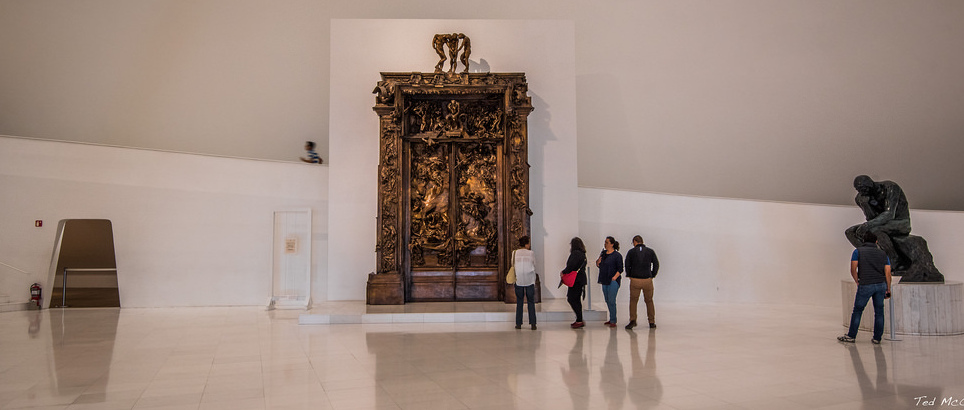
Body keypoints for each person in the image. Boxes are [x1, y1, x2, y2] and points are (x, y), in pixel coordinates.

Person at [845, 175, 909, 271]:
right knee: (850, 232)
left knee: (873, 230)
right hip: (881, 224)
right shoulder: (860, 198)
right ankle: (871, 257)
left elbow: (889, 214)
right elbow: (871, 219)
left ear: (870, 184)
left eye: (863, 189)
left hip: (900, 222)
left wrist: (867, 225)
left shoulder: (890, 187)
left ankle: (894, 260)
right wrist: (866, 205)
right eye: (859, 190)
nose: (862, 192)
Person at [839, 231, 892, 344]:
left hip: (866, 284)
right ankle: (877, 338)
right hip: (880, 284)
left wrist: (857, 280)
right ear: (876, 241)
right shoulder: (883, 254)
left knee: (858, 310)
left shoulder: (858, 252)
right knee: (879, 312)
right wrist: (888, 288)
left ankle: (851, 336)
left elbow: (853, 268)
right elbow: (888, 273)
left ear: (863, 241)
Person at [624, 235, 660, 329]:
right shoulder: (650, 251)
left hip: (635, 279)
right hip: (647, 280)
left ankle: (633, 320)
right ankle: (651, 321)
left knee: (633, 301)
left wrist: (629, 275)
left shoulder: (631, 252)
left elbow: (627, 264)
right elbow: (656, 264)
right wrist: (652, 275)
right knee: (649, 301)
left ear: (635, 242)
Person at [595, 236, 623, 327]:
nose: (605, 244)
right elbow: (598, 264)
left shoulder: (617, 255)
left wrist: (615, 277)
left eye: (607, 242)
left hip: (613, 280)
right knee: (607, 299)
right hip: (604, 279)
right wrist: (598, 262)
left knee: (611, 300)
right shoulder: (603, 253)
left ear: (612, 244)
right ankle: (611, 318)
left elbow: (620, 268)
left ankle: (613, 320)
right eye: (605, 242)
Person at [562, 237, 588, 328]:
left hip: (575, 280)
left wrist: (564, 272)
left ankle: (579, 320)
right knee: (577, 300)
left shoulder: (575, 254)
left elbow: (570, 266)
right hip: (580, 279)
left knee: (571, 299)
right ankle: (579, 319)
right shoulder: (583, 254)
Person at [513, 236, 537, 330]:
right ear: (527, 244)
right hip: (529, 279)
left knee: (519, 301)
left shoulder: (514, 253)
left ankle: (518, 323)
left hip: (519, 279)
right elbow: (534, 264)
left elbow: (513, 264)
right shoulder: (531, 253)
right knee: (531, 301)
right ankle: (533, 323)